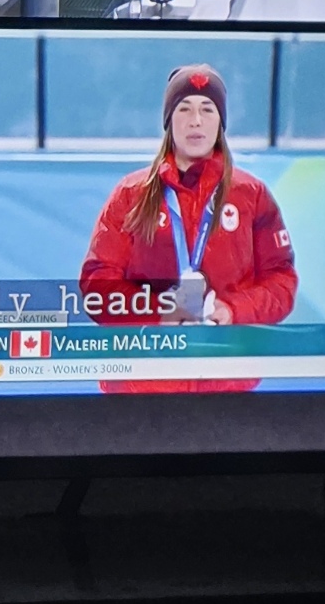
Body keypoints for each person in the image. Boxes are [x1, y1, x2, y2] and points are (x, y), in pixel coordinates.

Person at [78, 64, 296, 394]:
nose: (196, 120)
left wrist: (232, 310)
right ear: (169, 120)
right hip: (142, 388)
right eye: (184, 108)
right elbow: (97, 285)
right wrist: (159, 313)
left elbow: (281, 282)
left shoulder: (251, 196)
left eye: (207, 109)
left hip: (227, 385)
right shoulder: (131, 194)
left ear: (220, 122)